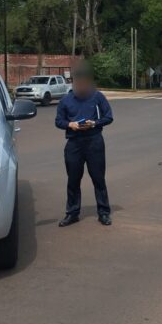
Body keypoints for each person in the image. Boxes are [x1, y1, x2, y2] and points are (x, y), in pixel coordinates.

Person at [55, 65, 114, 227]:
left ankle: (103, 212)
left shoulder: (97, 97)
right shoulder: (66, 100)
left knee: (98, 178)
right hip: (74, 143)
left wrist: (94, 123)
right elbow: (58, 121)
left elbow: (109, 117)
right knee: (73, 180)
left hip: (94, 141)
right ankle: (72, 213)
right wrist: (70, 124)